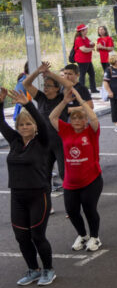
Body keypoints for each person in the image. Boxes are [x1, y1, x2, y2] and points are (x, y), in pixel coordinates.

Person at [1, 88, 56, 286]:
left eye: (28, 124)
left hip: (38, 195)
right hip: (17, 196)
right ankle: (33, 269)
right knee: (22, 237)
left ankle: (48, 270)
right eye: (21, 124)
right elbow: (1, 122)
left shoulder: (42, 142)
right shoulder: (15, 142)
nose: (24, 127)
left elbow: (42, 121)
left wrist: (27, 104)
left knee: (37, 236)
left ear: (34, 127)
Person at [49, 87, 103, 253]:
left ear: (85, 120)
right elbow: (52, 117)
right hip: (71, 181)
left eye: (81, 118)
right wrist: (64, 101)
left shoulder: (91, 131)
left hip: (91, 179)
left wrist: (80, 101)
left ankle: (95, 237)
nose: (77, 121)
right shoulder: (66, 130)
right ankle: (83, 235)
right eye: (74, 118)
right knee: (72, 211)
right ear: (70, 121)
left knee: (89, 209)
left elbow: (93, 118)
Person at [23, 63, 66, 193]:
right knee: (45, 176)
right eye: (44, 85)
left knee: (64, 173)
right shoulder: (40, 97)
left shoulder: (62, 97)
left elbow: (69, 85)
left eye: (48, 86)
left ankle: (71, 205)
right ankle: (47, 206)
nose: (45, 88)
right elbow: (26, 84)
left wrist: (50, 74)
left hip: (60, 141)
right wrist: (38, 71)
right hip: (45, 142)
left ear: (57, 88)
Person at [73, 24, 98, 93]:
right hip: (82, 60)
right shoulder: (79, 39)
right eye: (85, 30)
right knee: (82, 75)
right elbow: (83, 49)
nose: (87, 30)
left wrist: (92, 44)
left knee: (92, 74)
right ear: (82, 31)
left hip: (87, 59)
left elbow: (89, 44)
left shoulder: (85, 38)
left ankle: (93, 89)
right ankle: (81, 90)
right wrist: (91, 48)